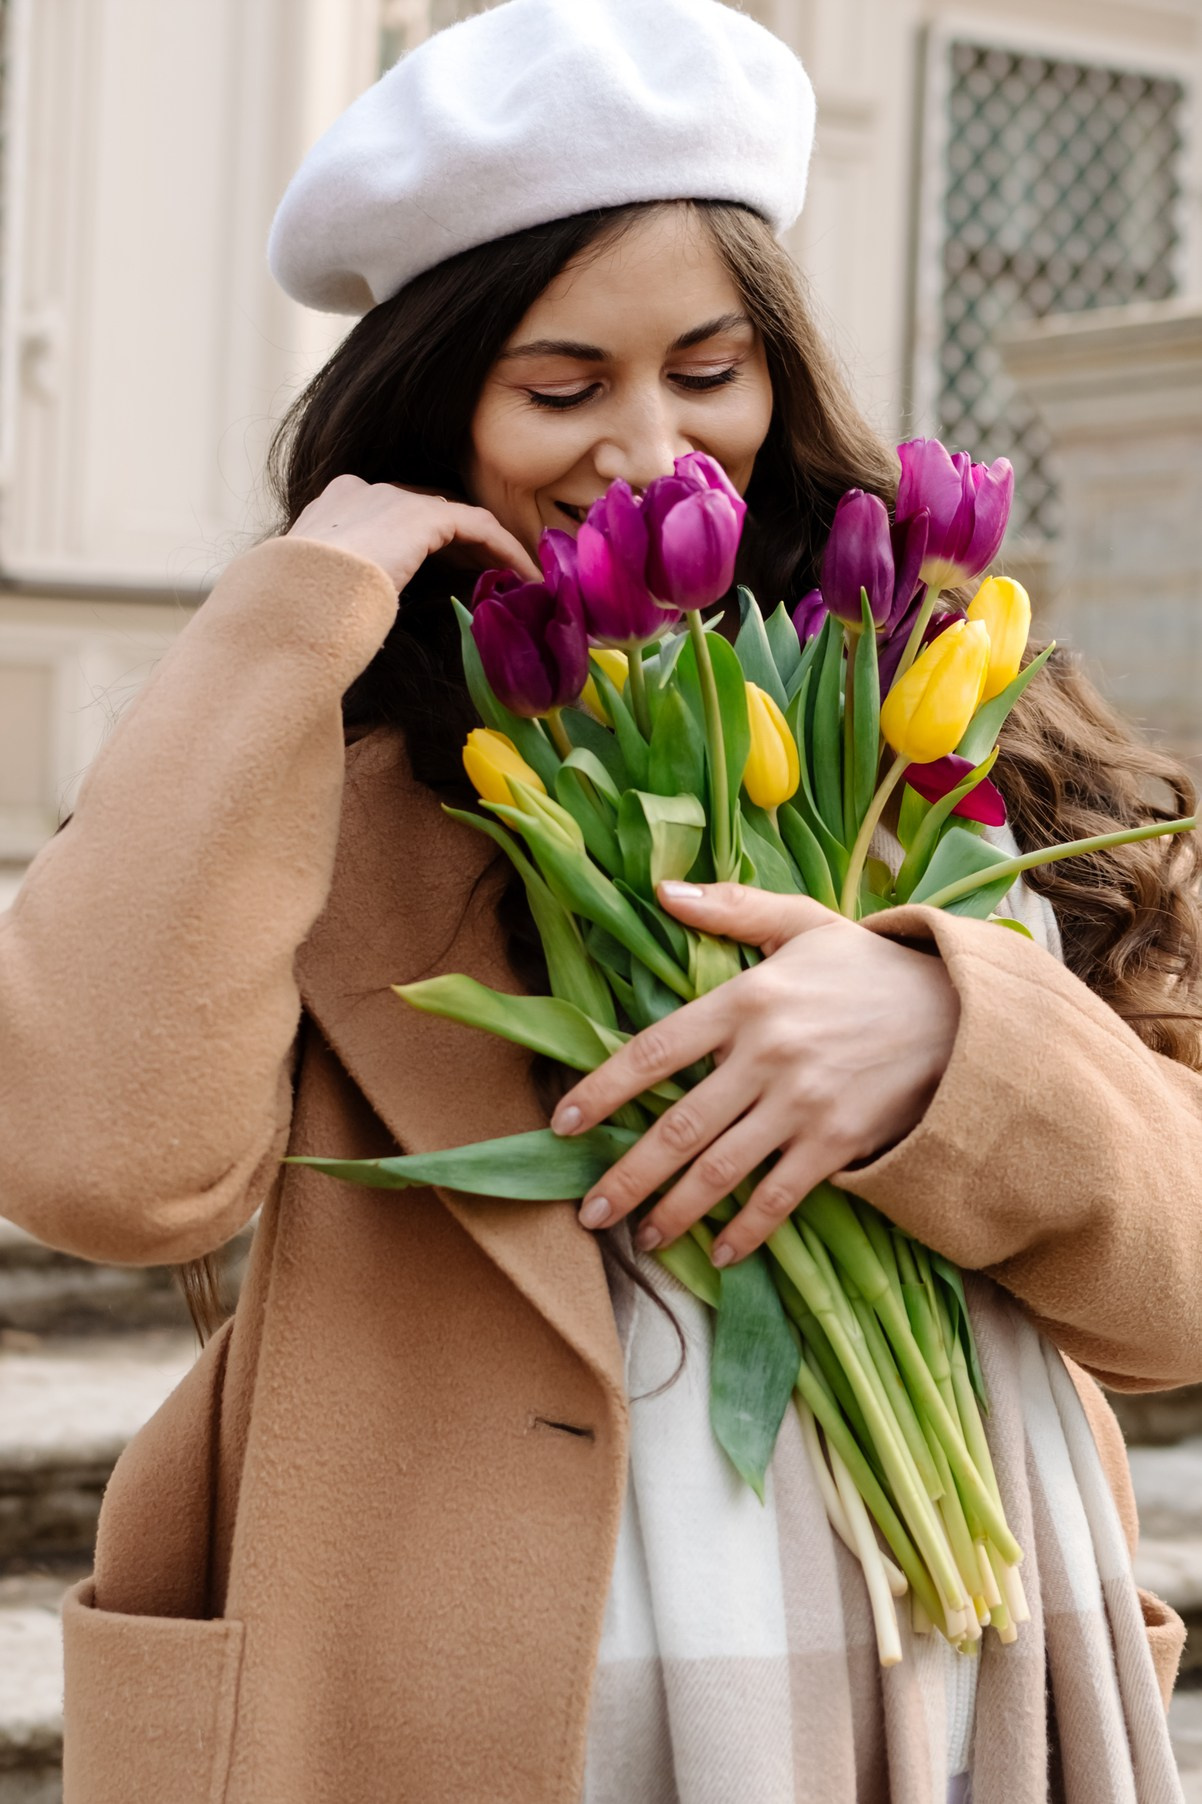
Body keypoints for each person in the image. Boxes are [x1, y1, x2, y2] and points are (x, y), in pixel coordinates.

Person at [3, 2, 1199, 1799]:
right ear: (430, 407)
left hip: (941, 1682)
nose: (650, 452)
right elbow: (101, 1167)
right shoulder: (317, 787)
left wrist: (956, 1041)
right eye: (559, 389)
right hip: (478, 1698)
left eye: (709, 372)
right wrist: (283, 619)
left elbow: (1173, 1305)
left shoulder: (956, 719)